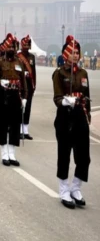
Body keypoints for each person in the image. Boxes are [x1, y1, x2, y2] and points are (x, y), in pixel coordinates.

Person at [52, 35, 91, 209]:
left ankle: (75, 188)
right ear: (66, 54)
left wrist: (87, 114)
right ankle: (63, 190)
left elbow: (87, 95)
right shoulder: (59, 73)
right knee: (64, 155)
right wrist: (67, 101)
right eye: (72, 52)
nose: (76, 55)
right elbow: (57, 98)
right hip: (65, 118)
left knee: (84, 157)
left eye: (77, 52)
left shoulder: (83, 73)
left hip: (80, 117)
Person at [0, 33, 27, 166]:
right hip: (4, 95)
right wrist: (0, 82)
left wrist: (25, 97)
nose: (11, 49)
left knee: (14, 124)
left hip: (15, 96)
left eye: (13, 47)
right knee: (3, 124)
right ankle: (4, 153)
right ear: (5, 48)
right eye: (9, 47)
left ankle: (12, 153)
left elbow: (23, 81)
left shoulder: (19, 62)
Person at [17, 35, 36, 140]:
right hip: (20, 84)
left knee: (28, 107)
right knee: (20, 107)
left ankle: (25, 130)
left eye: (28, 45)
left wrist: (34, 85)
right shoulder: (18, 56)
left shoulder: (32, 57)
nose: (26, 46)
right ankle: (19, 129)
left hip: (29, 84)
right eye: (25, 45)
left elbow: (34, 72)